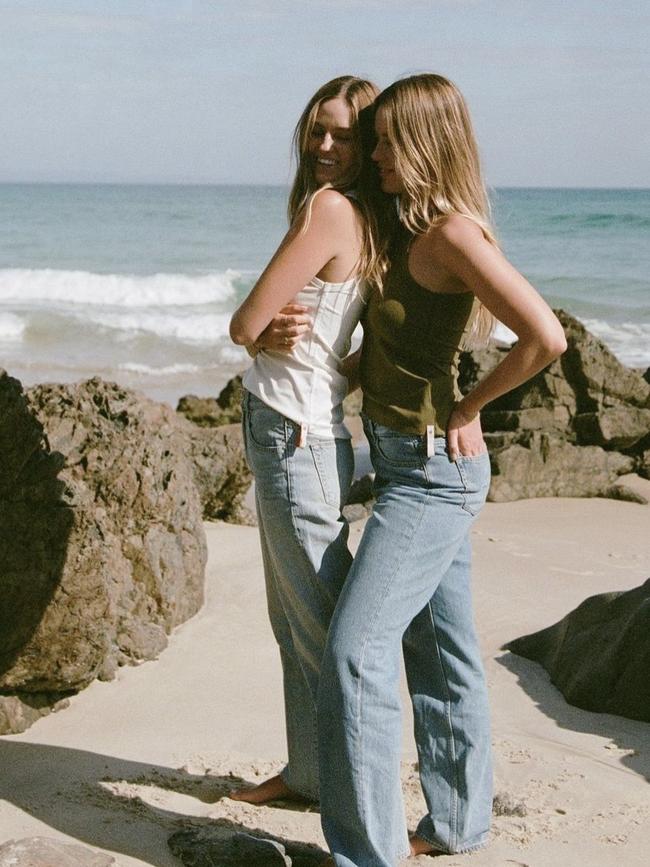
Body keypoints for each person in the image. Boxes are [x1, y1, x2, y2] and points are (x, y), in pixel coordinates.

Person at [317, 74, 567, 866]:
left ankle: (368, 854)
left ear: (428, 141)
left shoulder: (456, 235)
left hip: (433, 472)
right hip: (402, 464)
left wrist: (469, 408)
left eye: (390, 140)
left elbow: (544, 337)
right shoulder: (399, 226)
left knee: (355, 653)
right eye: (376, 139)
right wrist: (316, 362)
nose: (377, 154)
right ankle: (457, 823)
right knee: (442, 651)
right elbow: (394, 350)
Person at [228, 75, 382, 806]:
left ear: (368, 142)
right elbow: (373, 338)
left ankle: (356, 800)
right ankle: (310, 773)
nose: (323, 145)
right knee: (296, 621)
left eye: (342, 134)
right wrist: (327, 359)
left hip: (294, 435)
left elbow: (245, 320)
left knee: (318, 632)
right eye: (316, 129)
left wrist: (259, 331)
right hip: (307, 428)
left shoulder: (328, 209)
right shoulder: (372, 215)